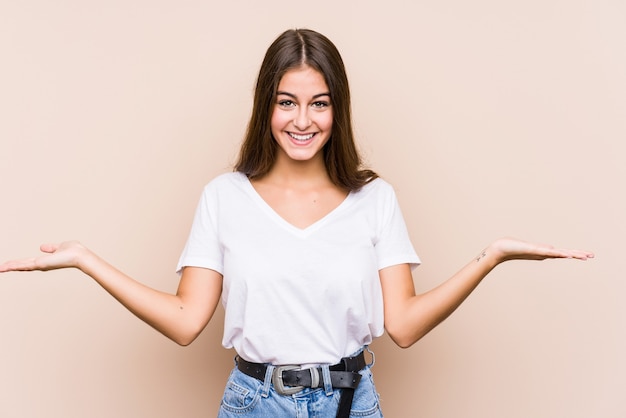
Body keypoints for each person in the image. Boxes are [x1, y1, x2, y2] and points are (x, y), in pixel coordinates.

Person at [0, 28, 593, 418]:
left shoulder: (375, 199)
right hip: (255, 403)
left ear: (338, 109)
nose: (302, 120)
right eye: (287, 101)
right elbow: (185, 322)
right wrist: (85, 259)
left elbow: (404, 325)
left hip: (350, 402)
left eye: (319, 102)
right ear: (267, 106)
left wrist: (491, 257)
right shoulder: (224, 198)